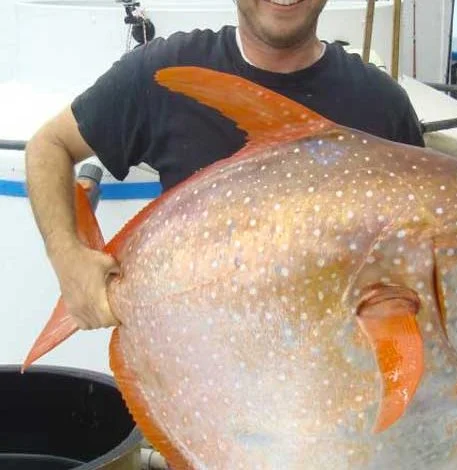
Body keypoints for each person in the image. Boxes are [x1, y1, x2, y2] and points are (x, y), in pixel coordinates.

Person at [24, 0, 425, 331]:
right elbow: (48, 146)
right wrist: (68, 258)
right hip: (190, 404)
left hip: (335, 409)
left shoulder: (384, 108)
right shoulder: (159, 74)